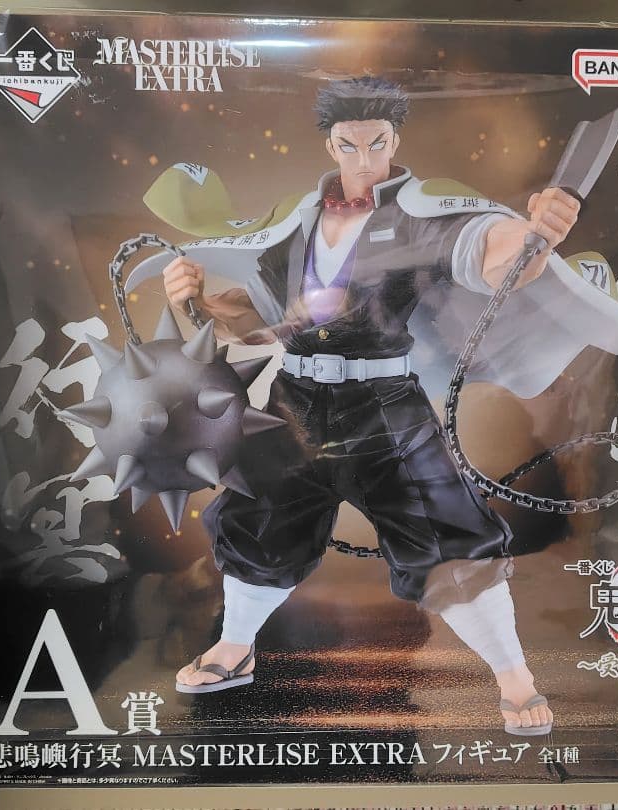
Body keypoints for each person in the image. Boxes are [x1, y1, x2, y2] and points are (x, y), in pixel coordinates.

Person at [160, 77, 582, 735]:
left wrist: (538, 236)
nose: (363, 159)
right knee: (258, 519)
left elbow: (493, 256)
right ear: (330, 144)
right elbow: (255, 322)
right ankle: (235, 648)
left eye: (376, 143)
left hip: (386, 406)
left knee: (448, 534)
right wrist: (194, 299)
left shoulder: (421, 213)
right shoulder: (292, 219)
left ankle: (515, 677)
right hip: (294, 400)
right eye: (349, 144)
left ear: (394, 140)